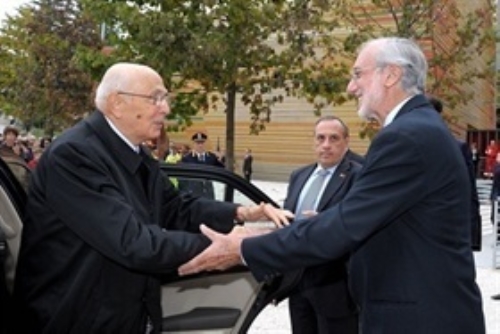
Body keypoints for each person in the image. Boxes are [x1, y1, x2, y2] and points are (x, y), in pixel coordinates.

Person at [178, 37, 486, 333]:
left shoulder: (406, 136)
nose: (351, 87)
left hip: (419, 319)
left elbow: (345, 225)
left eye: (357, 75)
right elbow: (358, 217)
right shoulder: (419, 129)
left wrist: (244, 248)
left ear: (391, 74)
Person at [12, 62, 291, 333]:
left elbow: (175, 207)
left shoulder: (133, 153)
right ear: (117, 103)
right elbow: (133, 242)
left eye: (165, 98)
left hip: (119, 312)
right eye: (155, 98)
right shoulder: (73, 156)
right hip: (75, 317)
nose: (166, 109)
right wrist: (225, 246)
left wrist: (240, 213)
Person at [283, 115, 361, 334]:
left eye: (334, 138)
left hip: (335, 287)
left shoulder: (359, 177)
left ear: (346, 142)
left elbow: (358, 226)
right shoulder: (299, 176)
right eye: (321, 138)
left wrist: (325, 222)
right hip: (297, 284)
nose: (326, 145)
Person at [427, 95, 482, 251]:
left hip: (447, 229)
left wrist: (473, 236)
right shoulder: (405, 145)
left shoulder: (457, 148)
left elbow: (470, 191)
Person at [179, 132, 224, 199]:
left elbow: (221, 170)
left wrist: (221, 159)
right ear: (193, 144)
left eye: (202, 143)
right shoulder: (187, 159)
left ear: (205, 143)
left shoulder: (211, 157)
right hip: (193, 194)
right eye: (197, 143)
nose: (200, 145)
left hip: (208, 193)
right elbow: (182, 178)